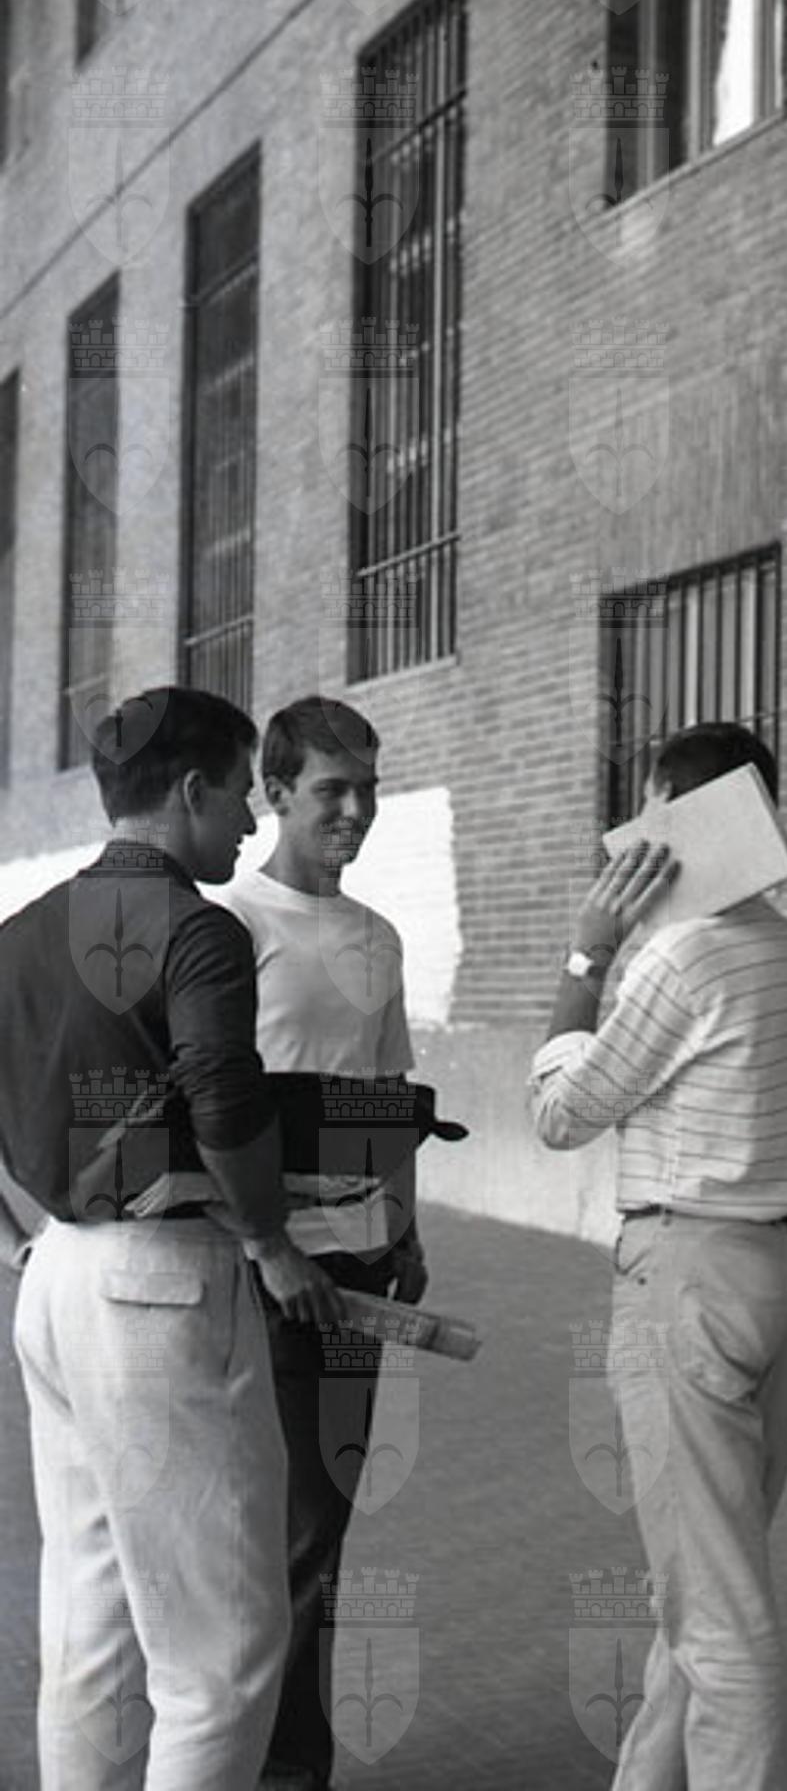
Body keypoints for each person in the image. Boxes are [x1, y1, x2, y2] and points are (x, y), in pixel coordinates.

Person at [0, 686, 344, 1791]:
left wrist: (18, 1238)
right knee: (222, 1654)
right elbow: (222, 1097)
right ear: (190, 790)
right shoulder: (199, 927)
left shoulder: (21, 931)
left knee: (93, 1622)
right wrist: (272, 1239)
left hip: (57, 1279)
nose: (247, 818)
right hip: (164, 1289)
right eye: (239, 791)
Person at [530, 722, 787, 1790]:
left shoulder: (681, 956)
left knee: (717, 1614)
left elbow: (561, 1114)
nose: (633, 836)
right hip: (780, 1275)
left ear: (686, 814)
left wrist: (588, 955)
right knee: (707, 1578)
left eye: (650, 808)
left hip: (690, 1278)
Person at [218, 696, 441, 1791]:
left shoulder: (378, 937)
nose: (356, 810)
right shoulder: (229, 927)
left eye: (369, 788)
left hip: (357, 1269)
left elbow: (387, 1095)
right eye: (331, 790)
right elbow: (214, 1113)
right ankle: (261, 1761)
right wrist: (266, 1247)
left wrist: (406, 1224)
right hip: (257, 1271)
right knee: (266, 1529)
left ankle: (284, 1760)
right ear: (273, 794)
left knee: (324, 1530)